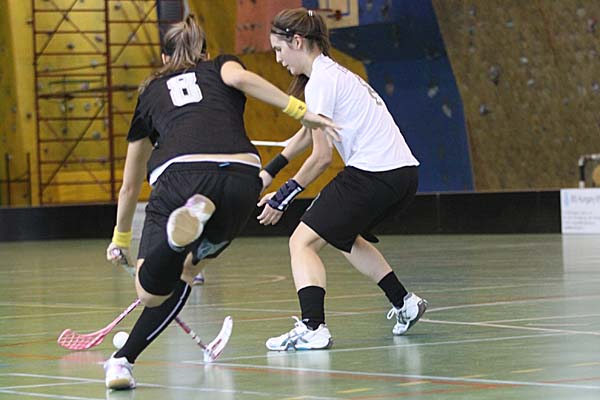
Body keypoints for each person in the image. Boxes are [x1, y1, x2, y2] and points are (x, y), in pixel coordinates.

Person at [103, 15, 339, 390]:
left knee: (149, 291)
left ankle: (175, 242)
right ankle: (122, 361)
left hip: (181, 177)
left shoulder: (151, 92)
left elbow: (130, 186)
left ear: (164, 59)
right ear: (205, 53)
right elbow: (242, 80)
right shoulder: (221, 65)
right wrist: (300, 111)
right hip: (242, 181)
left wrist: (119, 238)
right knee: (186, 272)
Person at [257, 8, 427, 351]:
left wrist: (283, 196)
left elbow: (322, 157)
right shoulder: (332, 74)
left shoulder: (321, 81)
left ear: (297, 41)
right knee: (343, 235)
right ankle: (404, 302)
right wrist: (270, 171)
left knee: (301, 242)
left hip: (373, 173)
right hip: (403, 175)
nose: (278, 59)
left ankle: (313, 328)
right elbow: (308, 133)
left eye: (279, 49)